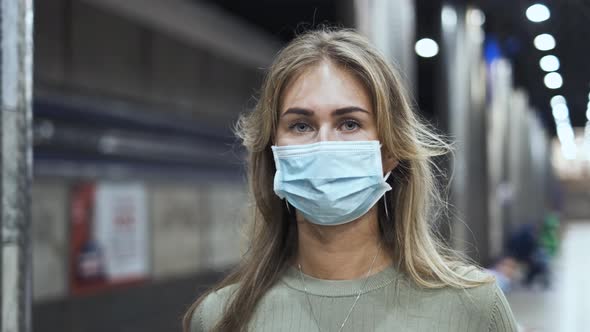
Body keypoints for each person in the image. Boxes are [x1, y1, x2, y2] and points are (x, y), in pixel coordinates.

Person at [183, 28, 518, 332]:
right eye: (301, 125)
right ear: (273, 153)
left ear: (390, 150)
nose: (324, 144)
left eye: (349, 124)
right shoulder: (221, 318)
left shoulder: (472, 307)